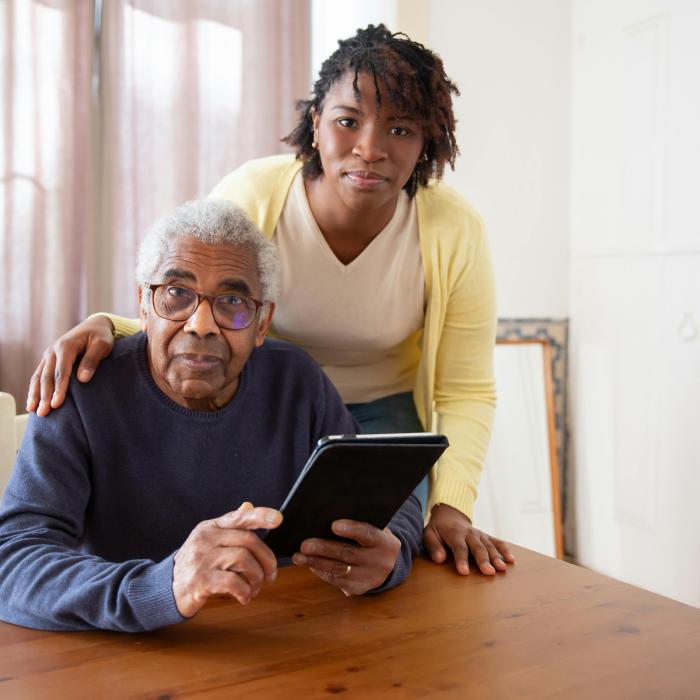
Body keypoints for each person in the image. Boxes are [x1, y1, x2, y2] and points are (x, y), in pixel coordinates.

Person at [26, 24, 513, 576]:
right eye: (348, 121)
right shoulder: (257, 195)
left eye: (400, 128)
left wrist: (450, 508)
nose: (370, 149)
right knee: (265, 561)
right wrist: (108, 325)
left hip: (383, 420)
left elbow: (466, 388)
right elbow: (194, 296)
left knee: (380, 568)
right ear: (316, 122)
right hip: (272, 406)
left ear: (427, 141)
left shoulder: (455, 229)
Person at [0, 201, 422, 632]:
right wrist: (163, 585)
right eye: (177, 294)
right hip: (124, 650)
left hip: (280, 639)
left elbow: (389, 495)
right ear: (143, 306)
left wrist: (392, 557)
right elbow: (12, 562)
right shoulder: (83, 388)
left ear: (262, 323)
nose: (201, 325)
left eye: (233, 301)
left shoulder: (295, 380)